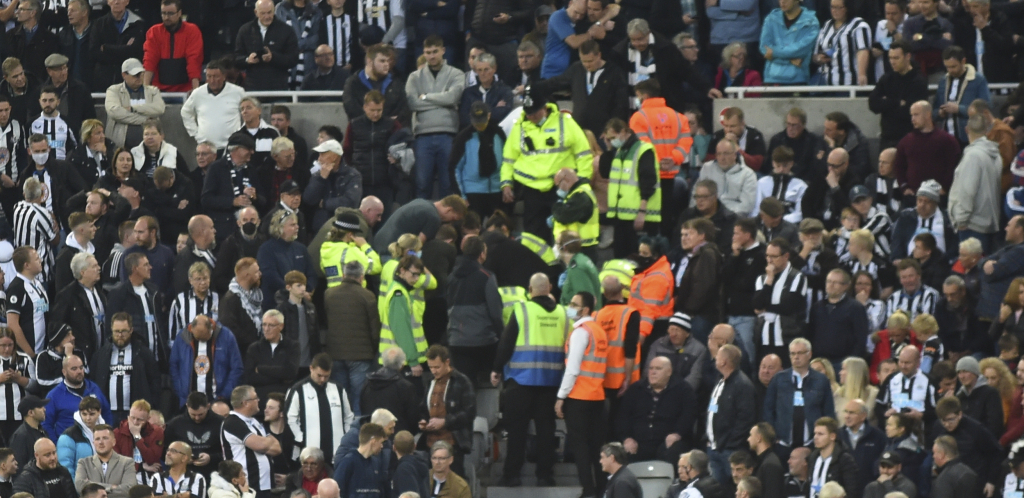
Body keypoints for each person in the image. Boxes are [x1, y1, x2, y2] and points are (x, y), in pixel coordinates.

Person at [491, 273, 567, 487]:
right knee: (546, 431)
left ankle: (512, 475)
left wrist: (496, 368)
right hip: (552, 382)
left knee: (517, 431)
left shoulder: (522, 309)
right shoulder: (563, 313)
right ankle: (545, 476)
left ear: (530, 289)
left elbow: (506, 342)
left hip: (521, 381)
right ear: (550, 287)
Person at [501, 86, 592, 243]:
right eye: (529, 113)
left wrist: (582, 182)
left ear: (545, 107)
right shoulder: (520, 127)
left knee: (562, 233)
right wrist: (506, 183)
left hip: (560, 188)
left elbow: (583, 153)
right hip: (532, 190)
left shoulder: (565, 123)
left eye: (535, 112)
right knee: (534, 237)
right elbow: (509, 159)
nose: (532, 117)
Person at [405, 36, 464, 199]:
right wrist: (442, 101)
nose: (432, 56)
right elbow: (412, 104)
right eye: (428, 52)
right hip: (422, 135)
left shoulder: (456, 74)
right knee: (422, 184)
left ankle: (447, 223)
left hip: (448, 133)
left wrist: (425, 97)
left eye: (435, 51)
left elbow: (452, 98)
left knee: (447, 184)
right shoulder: (414, 77)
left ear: (443, 51)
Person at [617, 355, 696, 463]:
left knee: (674, 451)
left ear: (669, 372)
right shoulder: (636, 389)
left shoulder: (683, 390)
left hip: (668, 441)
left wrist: (677, 434)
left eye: (658, 369)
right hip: (638, 442)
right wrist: (627, 438)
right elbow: (623, 416)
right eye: (651, 368)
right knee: (622, 453)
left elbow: (689, 415)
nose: (653, 372)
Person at [600, 117, 659, 258]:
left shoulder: (643, 150)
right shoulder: (620, 152)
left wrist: (642, 211)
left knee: (637, 259)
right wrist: (608, 149)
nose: (612, 141)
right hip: (621, 217)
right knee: (620, 258)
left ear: (624, 132)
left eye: (613, 137)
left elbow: (648, 181)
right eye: (609, 138)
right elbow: (604, 172)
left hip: (639, 217)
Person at [764, 338, 835, 455]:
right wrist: (773, 437)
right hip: (782, 444)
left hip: (812, 444)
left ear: (809, 354)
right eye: (792, 353)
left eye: (800, 353)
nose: (796, 357)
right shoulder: (778, 379)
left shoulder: (821, 380)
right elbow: (768, 410)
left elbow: (828, 411)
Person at [90, 313, 159, 423]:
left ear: (131, 330)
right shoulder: (100, 355)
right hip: (108, 413)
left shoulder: (143, 353)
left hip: (134, 415)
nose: (120, 335)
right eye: (116, 331)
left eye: (124, 331)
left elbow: (154, 382)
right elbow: (93, 382)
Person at [285, 353, 353, 461]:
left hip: (336, 453)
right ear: (311, 368)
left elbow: (349, 416)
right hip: (309, 455)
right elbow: (290, 418)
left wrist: (345, 438)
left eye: (326, 376)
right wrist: (301, 438)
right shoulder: (298, 389)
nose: (322, 379)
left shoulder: (339, 389)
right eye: (319, 375)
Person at [948, 114, 1001, 251]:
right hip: (987, 222)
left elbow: (967, 191)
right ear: (987, 131)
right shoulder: (995, 154)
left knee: (972, 269)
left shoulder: (973, 156)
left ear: (966, 129)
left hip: (972, 225)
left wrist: (961, 220)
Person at [105, 253, 166, 369]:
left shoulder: (154, 292)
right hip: (134, 361)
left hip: (157, 359)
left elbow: (161, 324)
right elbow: (110, 329)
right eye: (146, 265)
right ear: (135, 269)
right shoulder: (118, 295)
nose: (150, 267)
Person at [168, 314, 243, 407]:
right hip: (188, 403)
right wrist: (181, 393)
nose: (201, 340)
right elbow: (174, 366)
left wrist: (224, 395)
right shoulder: (182, 337)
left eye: (204, 337)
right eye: (197, 338)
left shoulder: (226, 336)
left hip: (218, 402)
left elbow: (236, 368)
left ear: (211, 328)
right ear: (192, 329)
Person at [753, 238, 808, 365]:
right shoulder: (762, 279)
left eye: (774, 256)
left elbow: (789, 306)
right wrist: (769, 281)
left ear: (786, 256)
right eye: (767, 256)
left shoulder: (797, 277)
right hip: (764, 337)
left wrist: (766, 308)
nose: (769, 260)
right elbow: (756, 304)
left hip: (787, 337)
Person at [707, 345, 756, 482]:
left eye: (718, 356)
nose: (715, 358)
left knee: (735, 488)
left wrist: (729, 443)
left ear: (724, 362)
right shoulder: (720, 380)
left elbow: (745, 419)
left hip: (730, 450)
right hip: (714, 447)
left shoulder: (743, 384)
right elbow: (713, 411)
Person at [894, 102, 961, 200]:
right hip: (913, 197)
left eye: (916, 114)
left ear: (928, 114)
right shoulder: (905, 141)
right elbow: (899, 167)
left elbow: (953, 167)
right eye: (911, 115)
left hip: (939, 198)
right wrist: (904, 187)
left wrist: (945, 188)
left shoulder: (947, 140)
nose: (912, 119)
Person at [222, 386, 281, 497]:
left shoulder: (254, 421)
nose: (259, 400)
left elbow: (277, 448)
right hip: (247, 486)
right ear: (246, 403)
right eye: (255, 398)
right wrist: (265, 442)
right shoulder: (232, 422)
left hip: (265, 485)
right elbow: (261, 445)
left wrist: (263, 442)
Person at [202, 132, 261, 242]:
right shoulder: (216, 168)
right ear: (236, 149)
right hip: (224, 231)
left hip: (248, 232)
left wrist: (255, 197)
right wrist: (232, 202)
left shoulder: (251, 170)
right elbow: (206, 199)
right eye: (248, 148)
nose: (252, 152)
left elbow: (264, 199)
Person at [868, 41, 928, 150]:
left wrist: (886, 103)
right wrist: (896, 102)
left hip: (909, 138)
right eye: (890, 58)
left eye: (896, 58)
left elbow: (908, 112)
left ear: (907, 56)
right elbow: (873, 104)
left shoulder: (918, 81)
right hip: (887, 138)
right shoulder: (887, 78)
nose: (892, 62)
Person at [44, 355, 113, 440]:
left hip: (96, 442)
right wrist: (56, 445)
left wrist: (108, 436)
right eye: (74, 369)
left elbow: (106, 412)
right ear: (64, 372)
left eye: (81, 368)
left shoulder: (94, 388)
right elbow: (46, 424)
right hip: (69, 443)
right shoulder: (54, 395)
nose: (79, 371)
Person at [234, 0, 299, 91]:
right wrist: (247, 60)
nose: (267, 16)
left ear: (274, 11)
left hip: (278, 89)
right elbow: (237, 59)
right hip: (253, 88)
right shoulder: (245, 30)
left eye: (269, 12)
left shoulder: (286, 30)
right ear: (256, 12)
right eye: (263, 13)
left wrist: (273, 58)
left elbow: (293, 59)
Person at [180, 60, 245, 151]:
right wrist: (195, 134)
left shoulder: (238, 92)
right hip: (207, 148)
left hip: (232, 146)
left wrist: (242, 131)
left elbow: (249, 110)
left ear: (223, 76)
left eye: (215, 76)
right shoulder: (198, 93)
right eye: (209, 76)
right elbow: (185, 112)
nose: (212, 80)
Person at [142, 0, 203, 93]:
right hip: (158, 89)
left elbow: (194, 60)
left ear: (179, 13)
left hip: (186, 89)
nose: (166, 17)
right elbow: (149, 61)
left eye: (170, 13)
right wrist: (145, 89)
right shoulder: (154, 32)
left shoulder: (192, 31)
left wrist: (195, 91)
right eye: (163, 13)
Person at [104, 59, 165, 150]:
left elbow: (160, 108)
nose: (139, 77)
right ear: (124, 75)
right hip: (120, 146)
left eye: (141, 74)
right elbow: (114, 112)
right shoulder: (113, 90)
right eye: (136, 75)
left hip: (150, 147)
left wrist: (133, 109)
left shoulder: (153, 91)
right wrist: (146, 119)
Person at [934, 46, 990, 145]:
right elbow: (934, 110)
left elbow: (986, 107)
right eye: (947, 67)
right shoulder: (943, 81)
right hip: (945, 138)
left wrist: (959, 109)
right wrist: (940, 113)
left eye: (953, 66)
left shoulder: (978, 80)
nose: (950, 70)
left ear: (963, 61)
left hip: (969, 138)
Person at [304, 140, 363, 230]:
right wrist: (321, 179)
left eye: (322, 155)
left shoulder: (352, 175)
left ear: (334, 157)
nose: (319, 159)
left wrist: (324, 204)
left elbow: (351, 201)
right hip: (321, 227)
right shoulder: (319, 174)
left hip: (343, 227)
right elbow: (308, 199)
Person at [341, 44, 407, 123]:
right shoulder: (353, 83)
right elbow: (351, 108)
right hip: (362, 130)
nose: (387, 64)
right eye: (382, 61)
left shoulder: (396, 83)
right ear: (369, 61)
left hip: (391, 131)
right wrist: (375, 122)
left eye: (388, 61)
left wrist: (383, 122)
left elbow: (403, 109)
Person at [163, 392, 224, 479]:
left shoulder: (221, 423)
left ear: (208, 406)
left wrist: (211, 458)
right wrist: (182, 458)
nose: (197, 418)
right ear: (187, 406)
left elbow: (229, 451)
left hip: (214, 475)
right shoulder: (175, 424)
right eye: (193, 414)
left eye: (200, 414)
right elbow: (165, 452)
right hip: (184, 476)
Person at [760, 0, 819, 85]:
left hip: (798, 79)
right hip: (771, 80)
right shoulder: (770, 18)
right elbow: (764, 48)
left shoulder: (811, 22)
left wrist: (774, 53)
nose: (782, 1)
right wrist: (790, 60)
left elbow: (800, 50)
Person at [694, 139, 758, 218]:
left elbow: (746, 206)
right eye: (719, 154)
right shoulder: (707, 168)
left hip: (733, 217)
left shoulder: (748, 174)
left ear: (735, 155)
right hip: (707, 214)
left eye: (726, 154)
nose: (722, 158)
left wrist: (724, 215)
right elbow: (695, 194)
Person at [977, 216, 1024, 321]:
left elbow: (993, 274)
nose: (1005, 229)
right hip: (991, 312)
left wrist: (986, 268)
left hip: (999, 313)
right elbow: (981, 261)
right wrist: (986, 263)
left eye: (1008, 225)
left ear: (1019, 229)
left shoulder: (1020, 251)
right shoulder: (1008, 248)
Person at [875, 346, 936, 425]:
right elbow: (879, 406)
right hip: (894, 430)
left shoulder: (929, 381)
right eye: (901, 362)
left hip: (921, 430)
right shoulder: (891, 379)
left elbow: (937, 410)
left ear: (918, 362)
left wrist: (922, 415)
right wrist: (886, 414)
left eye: (907, 363)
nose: (903, 366)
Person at [6, 246, 49, 357]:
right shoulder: (16, 288)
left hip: (44, 350)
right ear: (27, 265)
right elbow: (13, 325)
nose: (41, 260)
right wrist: (30, 354)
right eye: (36, 258)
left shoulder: (38, 283)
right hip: (28, 354)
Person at [74, 423, 136, 498]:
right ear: (93, 443)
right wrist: (112, 487)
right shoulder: (84, 463)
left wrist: (92, 488)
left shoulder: (127, 463)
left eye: (105, 438)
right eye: (97, 439)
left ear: (114, 442)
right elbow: (80, 486)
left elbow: (129, 490)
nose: (101, 442)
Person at [838, 399, 886, 490]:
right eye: (846, 412)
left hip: (869, 489)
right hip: (844, 489)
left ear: (863, 416)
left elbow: (881, 461)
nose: (847, 416)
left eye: (852, 413)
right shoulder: (838, 435)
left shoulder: (878, 436)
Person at [807, 417, 860, 498]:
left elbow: (852, 492)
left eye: (820, 434)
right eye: (815, 433)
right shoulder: (813, 458)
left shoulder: (844, 460)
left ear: (832, 436)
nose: (815, 437)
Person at [8, 1, 60, 82]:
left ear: (32, 13)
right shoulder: (11, 35)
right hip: (15, 84)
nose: (17, 12)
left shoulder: (50, 38)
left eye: (21, 9)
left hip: (39, 85)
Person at [220, 257, 263, 355]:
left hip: (255, 352)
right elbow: (229, 328)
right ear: (247, 276)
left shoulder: (256, 296)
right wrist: (252, 341)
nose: (260, 274)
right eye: (256, 272)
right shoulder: (230, 299)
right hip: (240, 354)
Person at [953, 356, 1004, 438]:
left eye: (965, 371)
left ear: (975, 373)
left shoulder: (990, 393)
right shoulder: (959, 396)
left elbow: (995, 424)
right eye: (959, 372)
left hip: (984, 442)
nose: (962, 376)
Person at [333, 423, 387, 498]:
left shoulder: (376, 463)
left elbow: (381, 492)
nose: (382, 446)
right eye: (381, 442)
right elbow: (338, 490)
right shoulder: (347, 462)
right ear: (373, 441)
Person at [0, 329, 35, 443]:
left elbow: (35, 386)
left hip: (19, 415)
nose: (7, 349)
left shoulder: (24, 359)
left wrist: (18, 379)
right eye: (3, 345)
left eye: (10, 345)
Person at [12, 438, 77, 498]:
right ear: (36, 455)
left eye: (54, 453)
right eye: (47, 455)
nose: (53, 458)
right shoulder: (25, 480)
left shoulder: (63, 472)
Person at [318, 0, 364, 75]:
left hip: (349, 67)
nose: (338, 0)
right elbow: (322, 43)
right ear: (328, 2)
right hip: (329, 68)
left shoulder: (352, 20)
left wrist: (352, 63)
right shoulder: (324, 21)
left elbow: (355, 44)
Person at [10, 395, 49, 468]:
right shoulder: (21, 436)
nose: (44, 409)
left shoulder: (42, 431)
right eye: (40, 407)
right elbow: (19, 467)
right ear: (31, 412)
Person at [748, 424, 784, 498]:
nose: (748, 439)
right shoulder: (764, 461)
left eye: (750, 435)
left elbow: (772, 494)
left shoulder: (770, 464)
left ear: (758, 438)